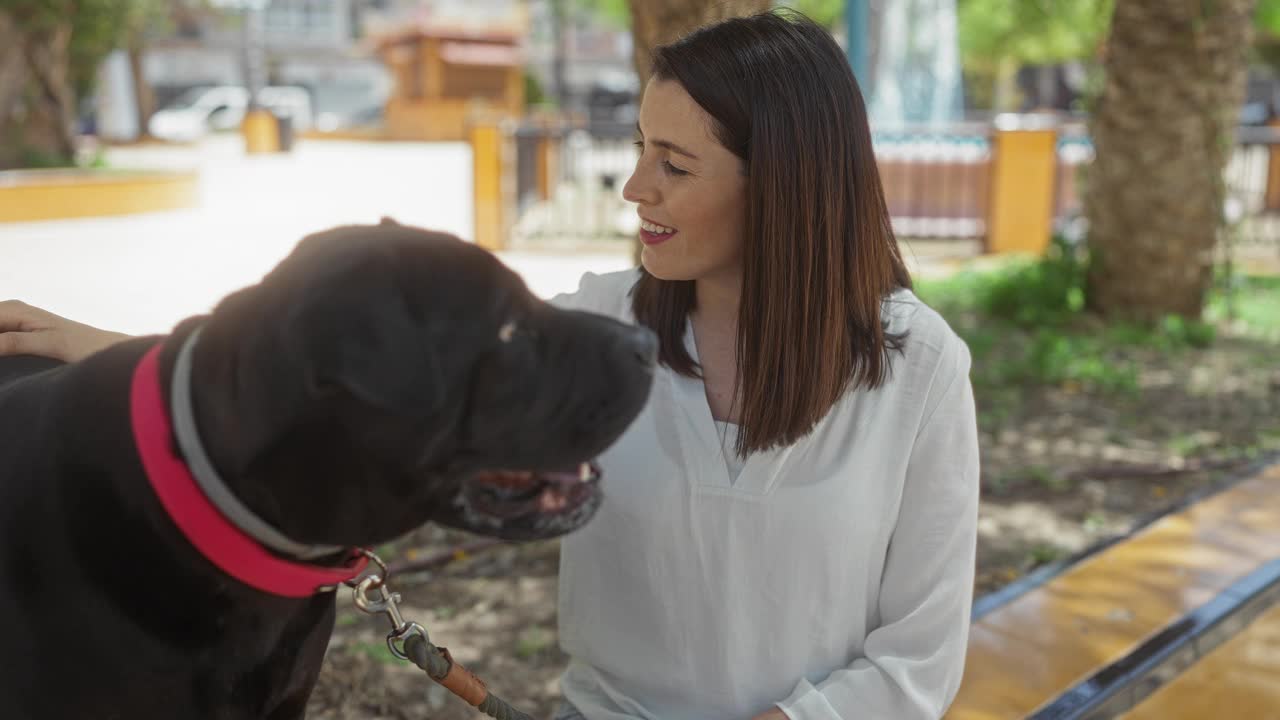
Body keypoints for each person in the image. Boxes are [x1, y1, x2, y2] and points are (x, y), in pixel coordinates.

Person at [0, 11, 979, 720]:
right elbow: (335, 383)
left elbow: (917, 659)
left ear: (788, 187)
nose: (635, 187)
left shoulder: (920, 370)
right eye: (639, 148)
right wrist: (115, 359)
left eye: (674, 165)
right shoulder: (587, 336)